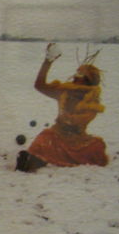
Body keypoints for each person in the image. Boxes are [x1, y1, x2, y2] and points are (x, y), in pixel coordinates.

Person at [16, 43, 108, 172]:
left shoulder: (92, 101)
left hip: (78, 141)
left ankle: (41, 160)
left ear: (88, 81)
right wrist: (48, 61)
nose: (76, 77)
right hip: (57, 135)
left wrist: (67, 116)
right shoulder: (65, 91)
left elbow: (76, 121)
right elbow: (39, 85)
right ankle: (31, 162)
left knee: (97, 147)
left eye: (80, 75)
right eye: (77, 73)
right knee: (42, 141)